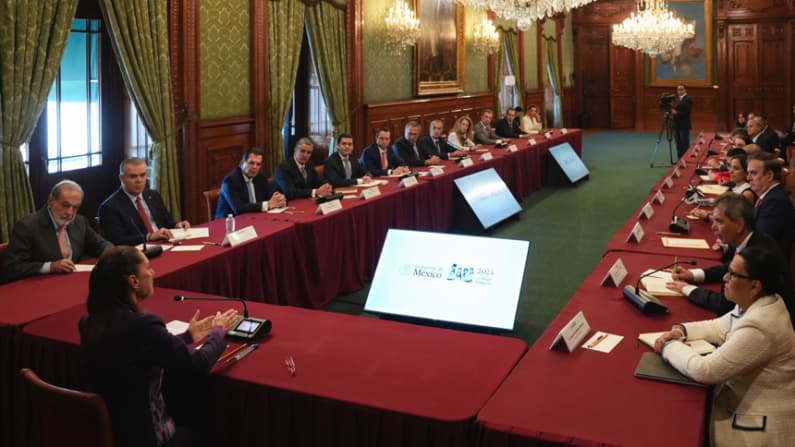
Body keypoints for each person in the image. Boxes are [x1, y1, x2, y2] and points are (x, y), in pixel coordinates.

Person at [79, 246, 238, 447]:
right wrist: (218, 332)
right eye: (148, 268)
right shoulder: (143, 325)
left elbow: (139, 348)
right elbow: (198, 363)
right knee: (209, 424)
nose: (153, 272)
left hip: (115, 431)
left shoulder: (89, 322)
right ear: (133, 281)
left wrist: (188, 336)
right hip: (148, 437)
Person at [655, 245, 795, 447]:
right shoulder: (760, 301)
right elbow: (718, 327)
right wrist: (681, 331)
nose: (724, 279)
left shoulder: (762, 325)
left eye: (732, 274)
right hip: (739, 405)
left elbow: (706, 371)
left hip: (758, 429)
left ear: (755, 285)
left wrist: (669, 346)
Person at [667, 193, 792, 315]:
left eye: (719, 221)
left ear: (739, 225)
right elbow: (730, 268)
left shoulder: (759, 255)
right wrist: (693, 275)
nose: (713, 227)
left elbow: (726, 304)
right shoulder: (754, 239)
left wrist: (686, 289)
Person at [2, 180, 113, 283]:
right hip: (39, 285)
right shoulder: (27, 227)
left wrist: (110, 256)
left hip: (71, 282)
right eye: (65, 206)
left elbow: (102, 245)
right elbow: (12, 268)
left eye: (75, 207)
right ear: (50, 201)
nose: (70, 213)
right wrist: (50, 267)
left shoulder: (79, 221)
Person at [99, 158, 190, 246]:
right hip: (138, 252)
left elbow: (167, 221)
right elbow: (117, 240)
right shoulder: (109, 207)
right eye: (133, 176)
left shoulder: (153, 195)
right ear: (121, 178)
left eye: (142, 175)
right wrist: (149, 236)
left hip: (165, 243)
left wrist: (177, 225)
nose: (139, 180)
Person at [214, 147, 286, 219]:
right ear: (242, 163)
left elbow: (271, 195)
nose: (255, 167)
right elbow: (238, 209)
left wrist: (279, 199)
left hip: (255, 218)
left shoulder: (260, 177)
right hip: (228, 222)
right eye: (251, 163)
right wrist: (267, 205)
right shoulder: (230, 181)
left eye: (258, 164)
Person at [747, 151, 795, 258]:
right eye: (748, 173)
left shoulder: (775, 203)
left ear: (769, 175)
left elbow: (759, 243)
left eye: (753, 173)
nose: (748, 178)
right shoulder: (770, 196)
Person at [670, 84, 692, 159]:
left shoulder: (688, 99)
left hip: (684, 125)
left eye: (681, 89)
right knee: (678, 143)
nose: (679, 91)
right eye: (678, 89)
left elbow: (687, 112)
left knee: (684, 143)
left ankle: (685, 159)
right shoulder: (676, 99)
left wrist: (677, 113)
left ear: (685, 90)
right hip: (676, 124)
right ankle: (680, 160)